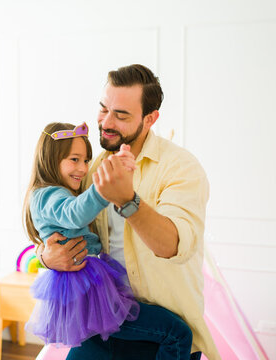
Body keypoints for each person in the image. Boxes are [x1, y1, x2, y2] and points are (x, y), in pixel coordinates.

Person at [38, 64, 221, 360]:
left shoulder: (181, 168)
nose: (106, 122)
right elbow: (56, 216)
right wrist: (46, 256)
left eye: (121, 115)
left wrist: (128, 201)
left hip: (162, 336)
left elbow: (174, 246)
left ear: (150, 119)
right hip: (103, 321)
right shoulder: (93, 167)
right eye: (103, 109)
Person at [22, 122, 139, 347]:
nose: (84, 169)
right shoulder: (48, 195)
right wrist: (106, 185)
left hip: (83, 277)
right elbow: (75, 214)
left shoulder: (57, 192)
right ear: (49, 159)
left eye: (85, 160)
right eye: (74, 159)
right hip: (79, 279)